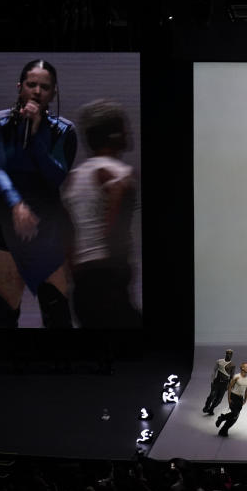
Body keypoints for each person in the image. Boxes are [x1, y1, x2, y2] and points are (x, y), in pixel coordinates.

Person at [0, 59, 78, 328]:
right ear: (20, 87)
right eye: (31, 85)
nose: (37, 91)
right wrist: (16, 204)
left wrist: (36, 135)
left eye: (45, 87)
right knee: (1, 313)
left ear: (53, 92)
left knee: (57, 313)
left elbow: (56, 176)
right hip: (5, 224)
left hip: (45, 226)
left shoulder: (64, 131)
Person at [62, 100, 140, 328]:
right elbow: (114, 230)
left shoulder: (73, 178)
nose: (129, 131)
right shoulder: (120, 175)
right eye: (123, 126)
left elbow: (68, 237)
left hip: (81, 288)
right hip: (110, 283)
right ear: (114, 134)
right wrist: (118, 270)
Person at [216, 362, 247, 437]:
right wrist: (229, 399)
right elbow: (229, 388)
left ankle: (223, 430)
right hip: (233, 396)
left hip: (240, 398)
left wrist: (245, 399)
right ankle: (222, 418)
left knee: (235, 417)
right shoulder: (237, 376)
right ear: (242, 368)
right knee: (235, 414)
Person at [203, 349, 235, 415]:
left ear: (232, 355)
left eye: (230, 354)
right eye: (228, 353)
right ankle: (206, 407)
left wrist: (230, 386)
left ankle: (211, 409)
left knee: (218, 400)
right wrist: (212, 381)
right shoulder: (219, 361)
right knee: (212, 395)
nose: (229, 355)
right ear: (225, 354)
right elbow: (214, 371)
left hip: (224, 384)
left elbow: (232, 376)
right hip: (217, 382)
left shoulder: (232, 365)